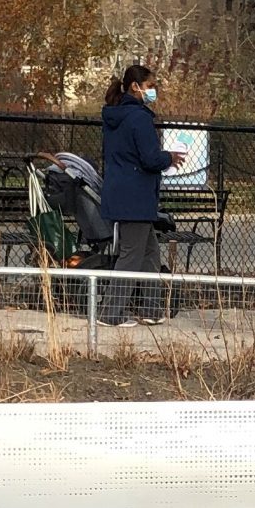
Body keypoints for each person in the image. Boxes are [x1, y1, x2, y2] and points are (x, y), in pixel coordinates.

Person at [98, 61, 182, 325]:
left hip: (121, 192)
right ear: (136, 87)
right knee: (132, 255)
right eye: (150, 86)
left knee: (149, 253)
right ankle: (111, 314)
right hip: (136, 197)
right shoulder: (139, 118)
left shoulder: (115, 117)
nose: (153, 91)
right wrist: (168, 157)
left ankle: (151, 309)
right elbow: (149, 158)